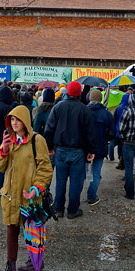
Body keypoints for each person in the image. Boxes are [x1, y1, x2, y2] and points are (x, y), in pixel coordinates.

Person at [0, 106, 53, 271]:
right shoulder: (9, 140)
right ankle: (10, 269)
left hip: (30, 196)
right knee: (12, 230)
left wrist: (35, 189)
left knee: (33, 231)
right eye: (12, 120)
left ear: (25, 121)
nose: (15, 123)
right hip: (11, 196)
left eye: (17, 120)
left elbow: (45, 169)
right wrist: (3, 150)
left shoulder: (37, 140)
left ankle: (36, 261)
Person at [44, 81, 96, 219]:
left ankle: (58, 209)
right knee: (76, 182)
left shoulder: (58, 107)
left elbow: (49, 128)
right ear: (79, 93)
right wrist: (91, 151)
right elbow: (90, 132)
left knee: (60, 181)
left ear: (67, 92)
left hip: (60, 149)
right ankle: (72, 210)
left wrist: (49, 147)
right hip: (78, 151)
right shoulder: (85, 110)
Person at [86, 89, 114, 205]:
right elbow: (112, 132)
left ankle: (75, 195)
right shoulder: (106, 113)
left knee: (82, 172)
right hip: (100, 147)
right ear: (101, 99)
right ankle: (92, 196)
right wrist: (107, 139)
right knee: (96, 172)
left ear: (90, 98)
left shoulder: (84, 111)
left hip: (85, 147)